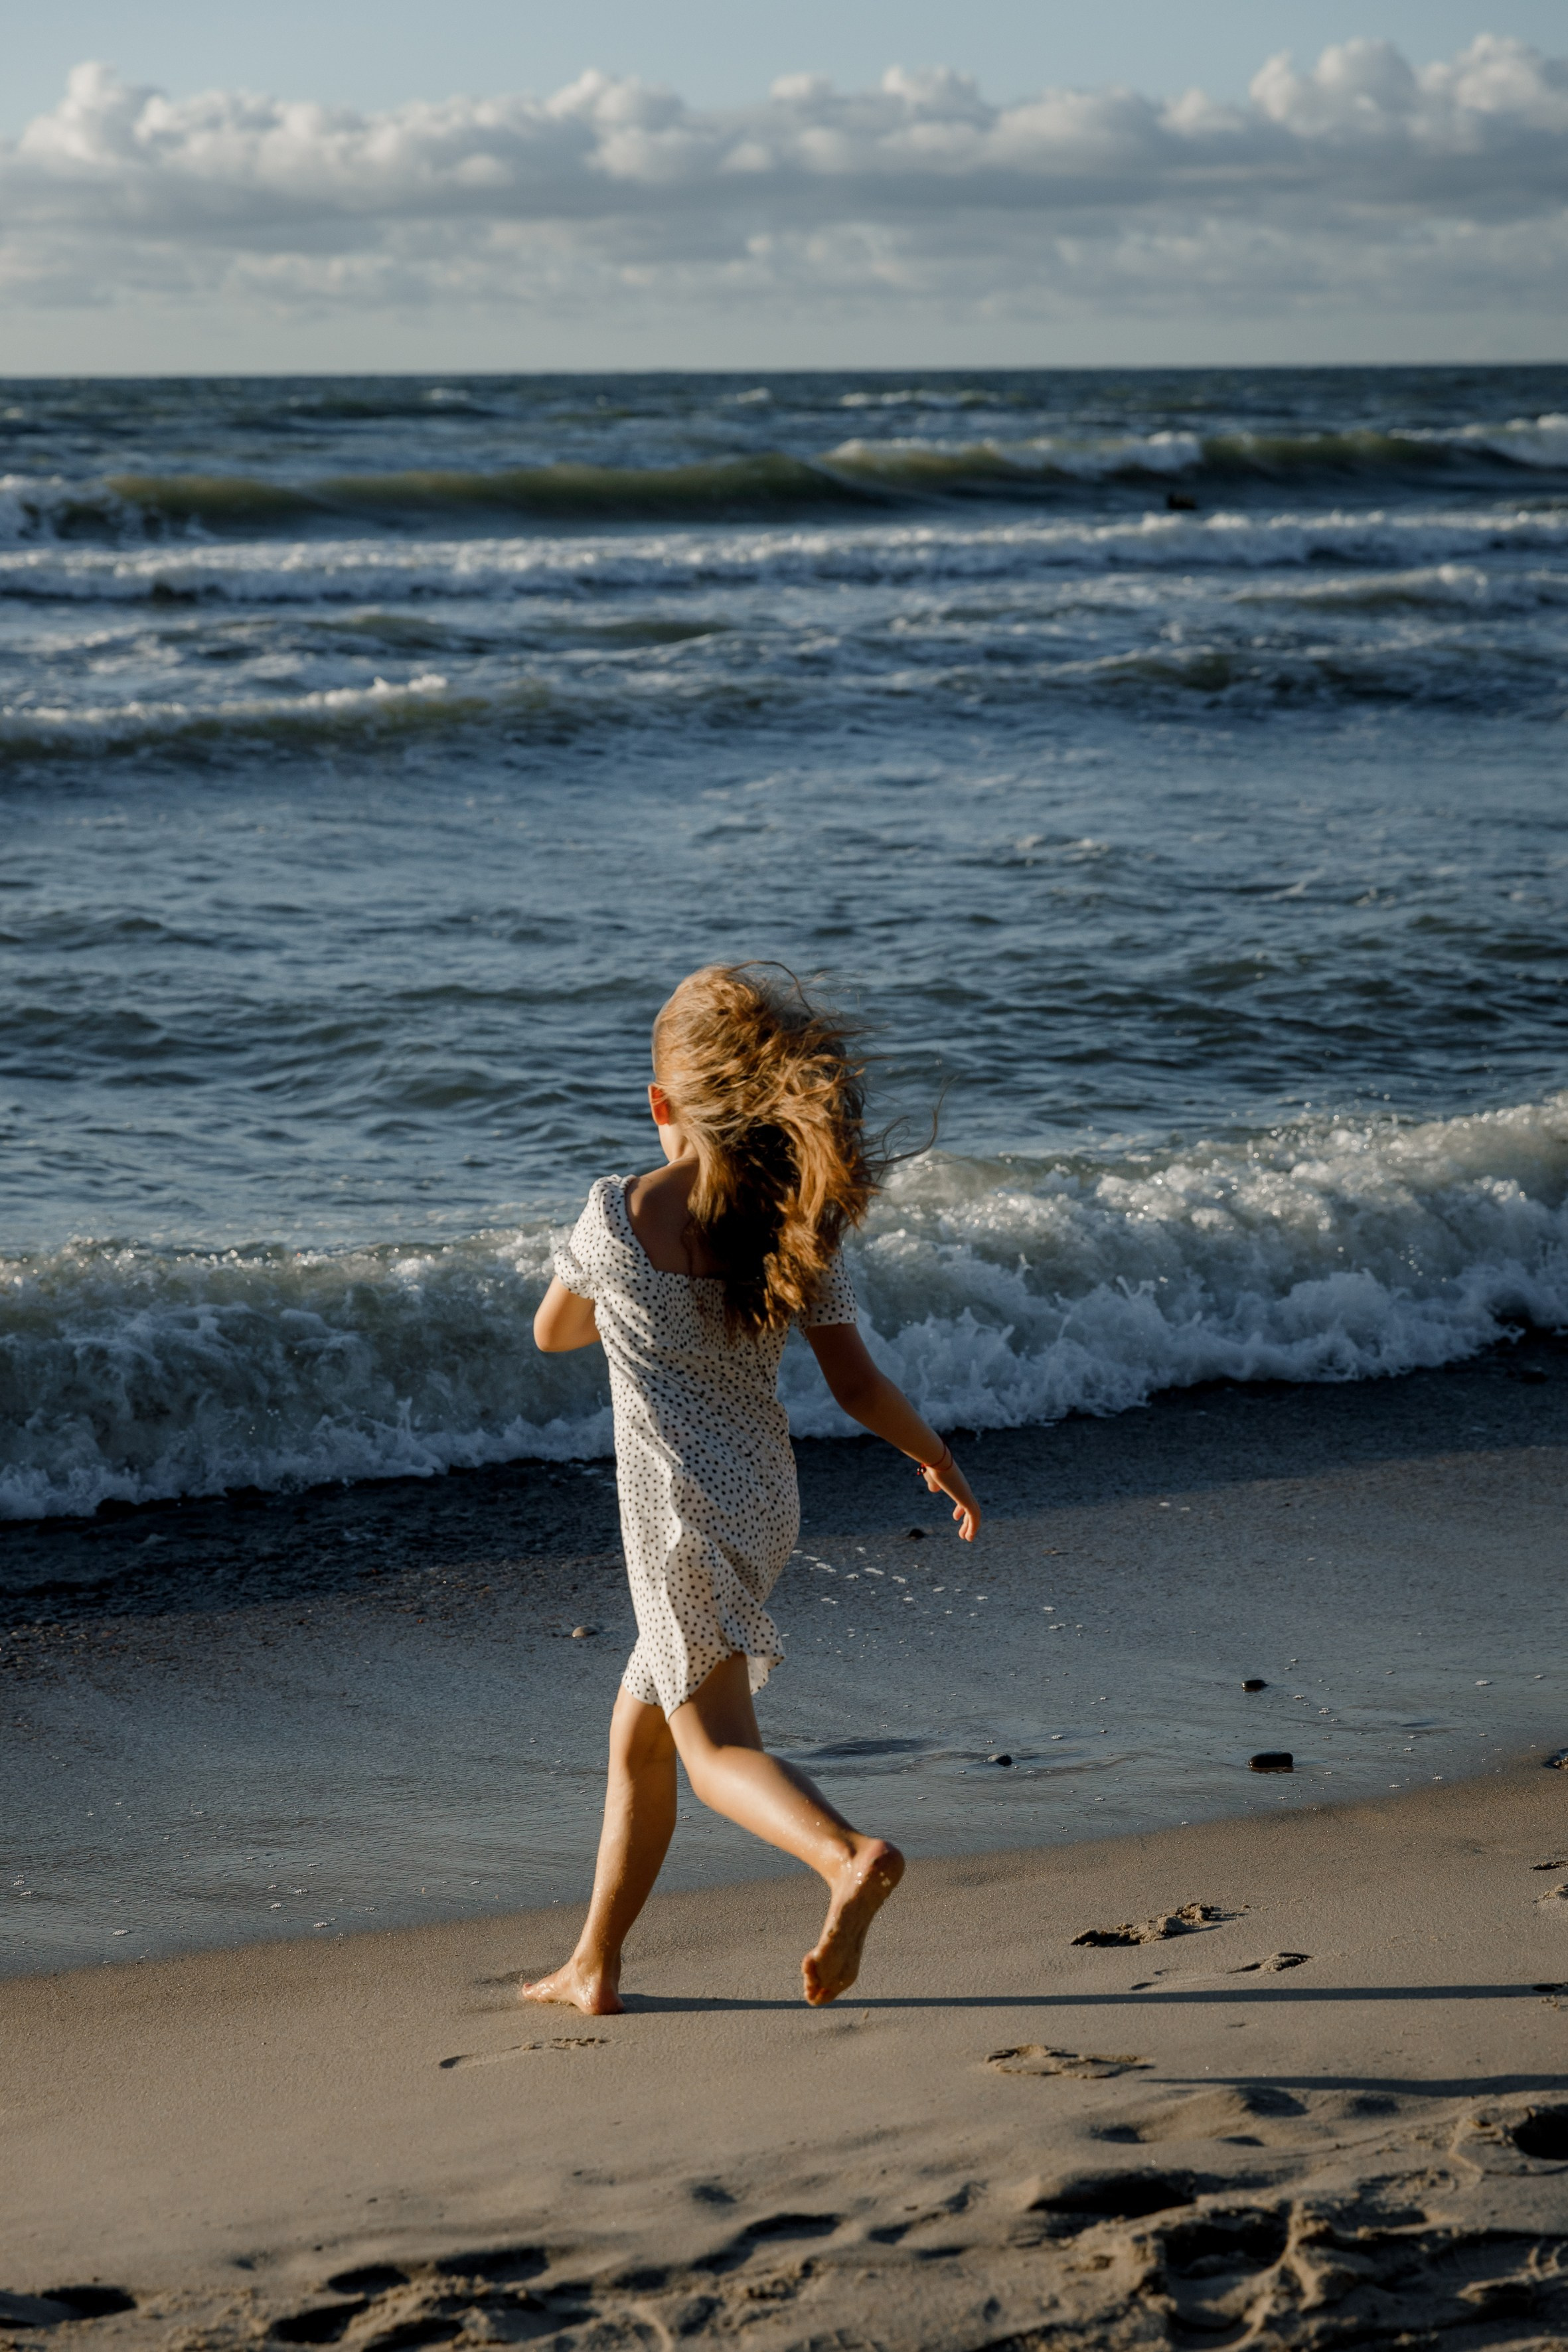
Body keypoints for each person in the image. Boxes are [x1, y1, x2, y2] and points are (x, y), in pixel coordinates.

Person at [522, 963, 982, 2014]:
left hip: (676, 1522)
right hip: (762, 1503)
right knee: (637, 1733)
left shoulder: (615, 1213)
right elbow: (855, 1382)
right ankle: (593, 1963)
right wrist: (936, 1456)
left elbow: (550, 1332)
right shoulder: (789, 1226)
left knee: (716, 1747)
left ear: (661, 1107)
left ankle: (843, 1855)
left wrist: (615, 1293)